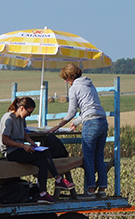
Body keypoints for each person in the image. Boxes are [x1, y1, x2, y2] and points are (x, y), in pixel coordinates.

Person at [47, 64, 109, 197]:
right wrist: (76, 122)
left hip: (91, 124)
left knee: (88, 157)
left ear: (71, 76)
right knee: (98, 156)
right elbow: (91, 108)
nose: (65, 81)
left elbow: (72, 112)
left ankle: (90, 189)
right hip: (102, 121)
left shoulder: (74, 88)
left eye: (66, 79)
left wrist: (57, 126)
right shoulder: (90, 85)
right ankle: (102, 189)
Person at [0, 97, 59, 204]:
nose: (30, 115)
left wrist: (31, 142)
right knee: (45, 153)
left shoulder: (21, 119)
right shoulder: (8, 119)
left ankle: (42, 193)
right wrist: (22, 146)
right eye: (29, 112)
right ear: (22, 108)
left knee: (42, 163)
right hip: (11, 152)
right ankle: (58, 179)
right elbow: (5, 140)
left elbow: (23, 133)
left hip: (20, 149)